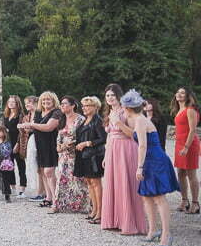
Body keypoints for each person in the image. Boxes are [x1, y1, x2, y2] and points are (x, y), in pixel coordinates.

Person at [124, 90, 180, 246]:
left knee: (159, 198)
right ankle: (153, 231)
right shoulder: (138, 119)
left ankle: (166, 235)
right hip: (149, 160)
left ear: (128, 108)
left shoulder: (141, 120)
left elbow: (142, 145)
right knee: (146, 196)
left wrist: (139, 167)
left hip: (154, 160)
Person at [100, 83, 147, 235]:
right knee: (112, 184)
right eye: (107, 95)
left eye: (113, 95)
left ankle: (128, 222)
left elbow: (133, 134)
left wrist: (118, 122)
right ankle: (114, 220)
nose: (110, 98)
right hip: (112, 150)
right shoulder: (109, 112)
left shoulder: (126, 111)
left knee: (125, 184)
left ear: (119, 96)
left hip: (126, 149)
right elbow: (108, 136)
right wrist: (106, 156)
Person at [22, 92, 62, 208]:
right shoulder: (39, 112)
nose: (45, 102)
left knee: (49, 171)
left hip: (51, 144)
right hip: (40, 145)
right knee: (42, 172)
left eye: (48, 100)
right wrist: (28, 126)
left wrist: (31, 125)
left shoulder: (57, 112)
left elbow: (49, 127)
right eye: (43, 100)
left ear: (54, 100)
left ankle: (56, 200)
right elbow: (35, 127)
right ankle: (48, 198)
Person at [51, 96, 89, 214]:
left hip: (77, 153)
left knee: (78, 180)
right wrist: (59, 147)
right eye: (61, 104)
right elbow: (59, 136)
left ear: (73, 105)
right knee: (62, 178)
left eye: (65, 103)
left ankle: (83, 205)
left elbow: (84, 136)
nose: (62, 106)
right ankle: (57, 204)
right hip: (63, 154)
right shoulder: (62, 119)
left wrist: (71, 144)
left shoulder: (81, 119)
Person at [75, 96, 106, 224]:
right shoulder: (85, 120)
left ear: (95, 107)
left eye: (88, 106)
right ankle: (94, 210)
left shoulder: (98, 120)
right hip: (84, 155)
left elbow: (103, 138)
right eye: (83, 106)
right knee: (89, 182)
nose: (85, 108)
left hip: (95, 155)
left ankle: (100, 212)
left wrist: (88, 143)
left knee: (96, 183)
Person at [171, 86, 199, 215]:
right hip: (179, 144)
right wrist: (177, 135)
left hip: (189, 145)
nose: (179, 94)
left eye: (183, 93)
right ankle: (184, 201)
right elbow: (183, 127)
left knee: (191, 175)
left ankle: (195, 203)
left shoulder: (190, 110)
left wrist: (186, 147)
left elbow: (192, 130)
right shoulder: (179, 109)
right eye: (178, 92)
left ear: (188, 96)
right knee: (181, 173)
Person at [17, 95, 41, 200]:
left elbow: (38, 127)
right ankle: (37, 190)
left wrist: (28, 126)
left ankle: (41, 192)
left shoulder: (40, 114)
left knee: (40, 167)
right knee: (31, 165)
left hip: (39, 141)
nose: (26, 104)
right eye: (25, 103)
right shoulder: (27, 116)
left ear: (35, 103)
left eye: (29, 102)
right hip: (30, 142)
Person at [3, 95, 27, 196]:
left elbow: (21, 132)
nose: (11, 103)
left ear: (17, 104)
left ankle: (22, 189)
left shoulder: (21, 116)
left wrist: (17, 144)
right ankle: (12, 187)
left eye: (13, 102)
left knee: (21, 166)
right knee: (9, 165)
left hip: (17, 143)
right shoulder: (6, 115)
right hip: (8, 144)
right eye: (9, 102)